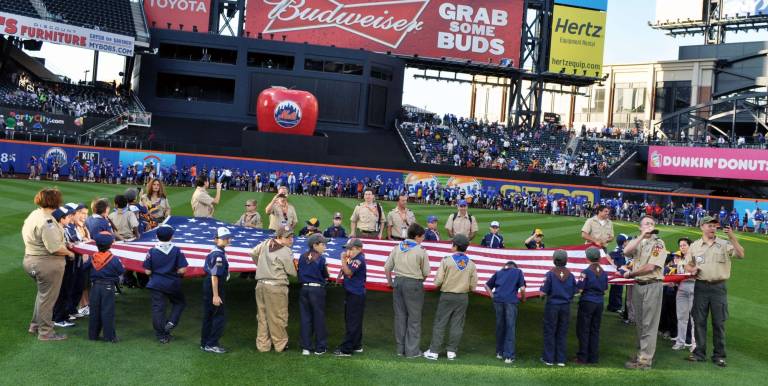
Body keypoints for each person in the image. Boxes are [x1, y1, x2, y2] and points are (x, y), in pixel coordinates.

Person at [686, 216, 745, 367]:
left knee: (719, 322)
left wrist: (732, 237)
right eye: (710, 225)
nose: (713, 228)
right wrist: (692, 269)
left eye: (714, 225)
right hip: (700, 286)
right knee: (699, 321)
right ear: (702, 227)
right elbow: (688, 265)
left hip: (718, 288)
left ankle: (719, 355)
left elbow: (741, 254)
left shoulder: (724, 244)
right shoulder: (695, 246)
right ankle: (699, 353)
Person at [22, 188, 75, 341]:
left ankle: (35, 325)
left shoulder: (35, 214)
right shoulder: (48, 221)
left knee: (43, 295)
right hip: (46, 264)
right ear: (55, 201)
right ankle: (45, 332)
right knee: (48, 299)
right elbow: (55, 249)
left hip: (30, 259)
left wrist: (64, 243)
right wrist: (69, 253)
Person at [622, 215, 668, 370]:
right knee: (640, 323)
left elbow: (651, 267)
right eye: (646, 223)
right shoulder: (639, 241)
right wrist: (641, 235)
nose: (649, 226)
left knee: (649, 324)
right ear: (640, 227)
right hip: (638, 286)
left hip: (651, 285)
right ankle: (642, 353)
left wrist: (631, 274)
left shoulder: (658, 243)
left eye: (652, 223)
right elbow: (626, 251)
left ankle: (645, 361)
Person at [423, 235, 478, 361]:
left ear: (455, 246)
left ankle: (434, 351)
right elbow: (473, 286)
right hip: (463, 297)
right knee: (457, 324)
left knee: (440, 323)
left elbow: (437, 282)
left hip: (447, 295)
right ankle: (451, 352)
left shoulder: (446, 261)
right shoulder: (471, 264)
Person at [384, 223, 431, 358]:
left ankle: (400, 349)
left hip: (398, 282)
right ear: (417, 236)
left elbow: (387, 268)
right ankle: (412, 351)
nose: (423, 239)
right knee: (414, 318)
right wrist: (419, 282)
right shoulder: (420, 250)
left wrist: (390, 283)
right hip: (414, 283)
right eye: (422, 237)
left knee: (400, 317)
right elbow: (426, 272)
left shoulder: (397, 247)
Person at [251, 226, 297, 352]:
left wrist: (260, 265)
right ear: (279, 237)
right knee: (278, 316)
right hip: (276, 286)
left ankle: (263, 345)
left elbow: (253, 253)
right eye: (288, 237)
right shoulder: (286, 251)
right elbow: (292, 271)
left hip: (260, 284)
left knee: (262, 316)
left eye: (292, 236)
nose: (291, 239)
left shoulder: (265, 243)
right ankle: (280, 344)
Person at [143, 225, 189, 344]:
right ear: (172, 237)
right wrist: (175, 272)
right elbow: (183, 270)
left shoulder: (152, 251)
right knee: (179, 303)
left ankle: (161, 335)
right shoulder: (176, 250)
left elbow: (147, 271)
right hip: (172, 283)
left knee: (158, 309)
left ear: (157, 236)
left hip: (156, 284)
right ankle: (171, 322)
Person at [86, 232, 125, 343]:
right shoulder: (114, 259)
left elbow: (85, 267)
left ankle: (93, 335)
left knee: (94, 311)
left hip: (95, 287)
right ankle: (109, 336)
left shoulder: (92, 257)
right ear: (110, 244)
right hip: (108, 287)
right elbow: (121, 271)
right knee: (107, 311)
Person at [485, 260, 526, 364]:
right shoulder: (518, 272)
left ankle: (499, 352)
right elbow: (522, 288)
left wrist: (493, 297)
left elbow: (486, 286)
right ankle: (509, 356)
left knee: (500, 326)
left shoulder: (499, 272)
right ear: (514, 267)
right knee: (510, 328)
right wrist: (523, 299)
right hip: (510, 302)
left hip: (498, 301)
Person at [541, 250, 576, 367]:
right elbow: (574, 292)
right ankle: (561, 359)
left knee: (550, 331)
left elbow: (543, 292)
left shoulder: (550, 274)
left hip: (553, 306)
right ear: (566, 260)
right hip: (565, 306)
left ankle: (549, 358)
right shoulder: (570, 275)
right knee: (562, 331)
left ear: (554, 260)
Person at [201, 227, 232, 354]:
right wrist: (216, 295)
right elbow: (215, 276)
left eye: (227, 238)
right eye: (223, 238)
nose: (227, 240)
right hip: (214, 287)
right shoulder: (218, 255)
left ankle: (205, 343)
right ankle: (211, 344)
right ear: (216, 239)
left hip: (210, 285)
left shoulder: (216, 252)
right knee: (218, 316)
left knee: (209, 315)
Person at [334, 238, 367, 357]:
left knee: (352, 321)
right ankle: (356, 345)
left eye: (350, 249)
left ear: (359, 249)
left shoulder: (358, 260)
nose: (348, 251)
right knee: (355, 321)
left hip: (355, 294)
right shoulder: (354, 258)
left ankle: (346, 349)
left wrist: (343, 259)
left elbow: (348, 273)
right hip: (355, 293)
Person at [298, 233, 330, 355]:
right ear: (315, 245)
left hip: (304, 289)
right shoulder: (321, 258)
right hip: (317, 290)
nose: (325, 246)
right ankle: (320, 347)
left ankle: (306, 347)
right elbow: (326, 275)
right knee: (318, 318)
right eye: (323, 244)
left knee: (305, 318)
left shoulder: (302, 256)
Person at [575, 247, 608, 364]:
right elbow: (604, 289)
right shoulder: (604, 272)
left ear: (587, 258)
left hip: (587, 302)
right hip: (599, 303)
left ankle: (583, 357)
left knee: (583, 329)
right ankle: (593, 357)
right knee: (595, 330)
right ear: (599, 258)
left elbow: (579, 289)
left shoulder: (586, 272)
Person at [52, 206, 77, 328]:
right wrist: (69, 252)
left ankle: (61, 315)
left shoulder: (60, 228)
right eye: (67, 217)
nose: (70, 218)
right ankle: (58, 318)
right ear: (61, 219)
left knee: (65, 290)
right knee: (62, 291)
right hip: (61, 264)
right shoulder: (56, 229)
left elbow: (63, 243)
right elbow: (56, 248)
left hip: (64, 264)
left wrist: (68, 244)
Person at [672, 238, 695, 351]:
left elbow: (695, 272)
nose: (682, 247)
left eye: (684, 245)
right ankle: (680, 341)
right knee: (681, 316)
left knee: (694, 318)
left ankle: (694, 344)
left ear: (690, 246)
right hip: (681, 288)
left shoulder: (696, 257)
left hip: (694, 287)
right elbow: (679, 275)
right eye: (680, 245)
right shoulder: (680, 259)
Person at [606, 234, 629, 313]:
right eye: (627, 241)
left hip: (619, 272)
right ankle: (616, 306)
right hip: (619, 272)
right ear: (624, 242)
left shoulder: (620, 249)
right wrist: (614, 265)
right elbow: (608, 255)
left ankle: (612, 306)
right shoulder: (619, 250)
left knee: (615, 289)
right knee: (618, 290)